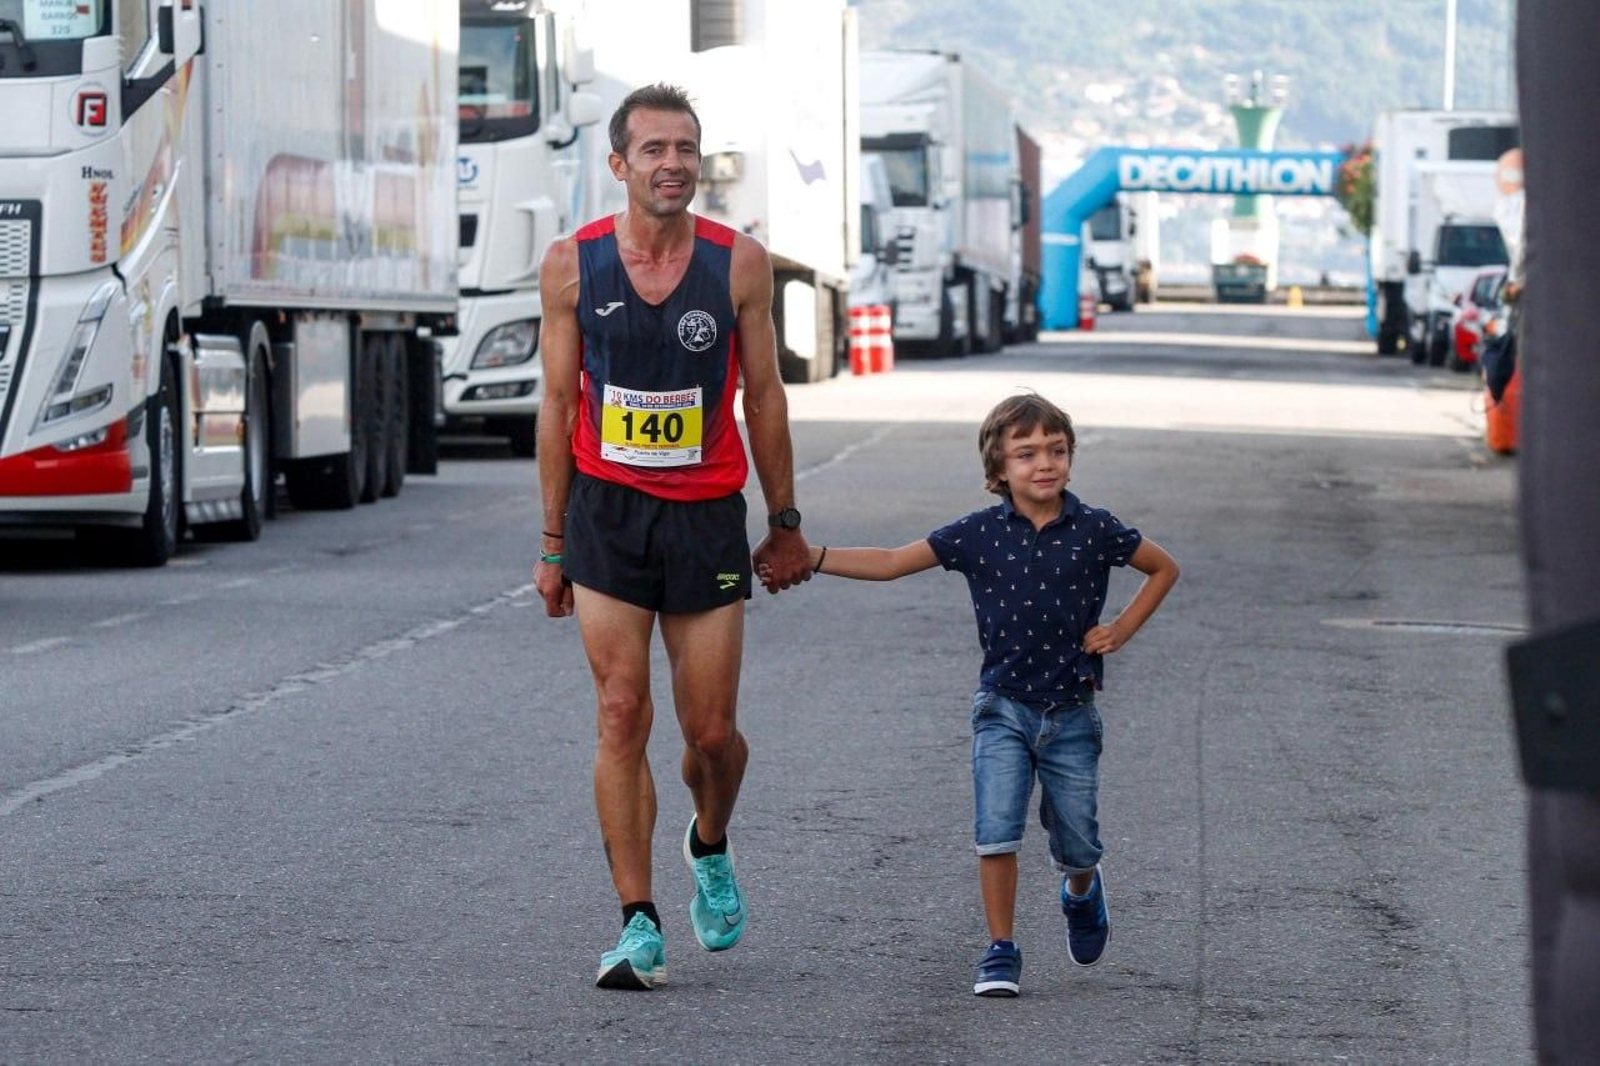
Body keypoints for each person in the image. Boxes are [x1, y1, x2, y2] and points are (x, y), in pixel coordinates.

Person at [534, 83, 812, 991]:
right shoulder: (572, 265)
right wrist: (550, 542)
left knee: (712, 733)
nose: (672, 163)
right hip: (607, 514)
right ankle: (637, 922)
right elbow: (559, 402)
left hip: (703, 518)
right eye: (653, 149)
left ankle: (711, 841)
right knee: (621, 711)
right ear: (619, 165)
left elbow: (763, 396)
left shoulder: (738, 264)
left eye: (685, 148)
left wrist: (784, 523)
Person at [766, 393, 1178, 996]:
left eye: (1057, 451)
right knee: (996, 830)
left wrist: (1120, 628)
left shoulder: (1095, 528)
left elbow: (1163, 567)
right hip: (1002, 709)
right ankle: (1001, 949)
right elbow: (890, 561)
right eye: (1028, 453)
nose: (1046, 464)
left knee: (1078, 841)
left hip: (1071, 714)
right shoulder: (979, 534)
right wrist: (815, 556)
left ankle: (1082, 890)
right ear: (999, 470)